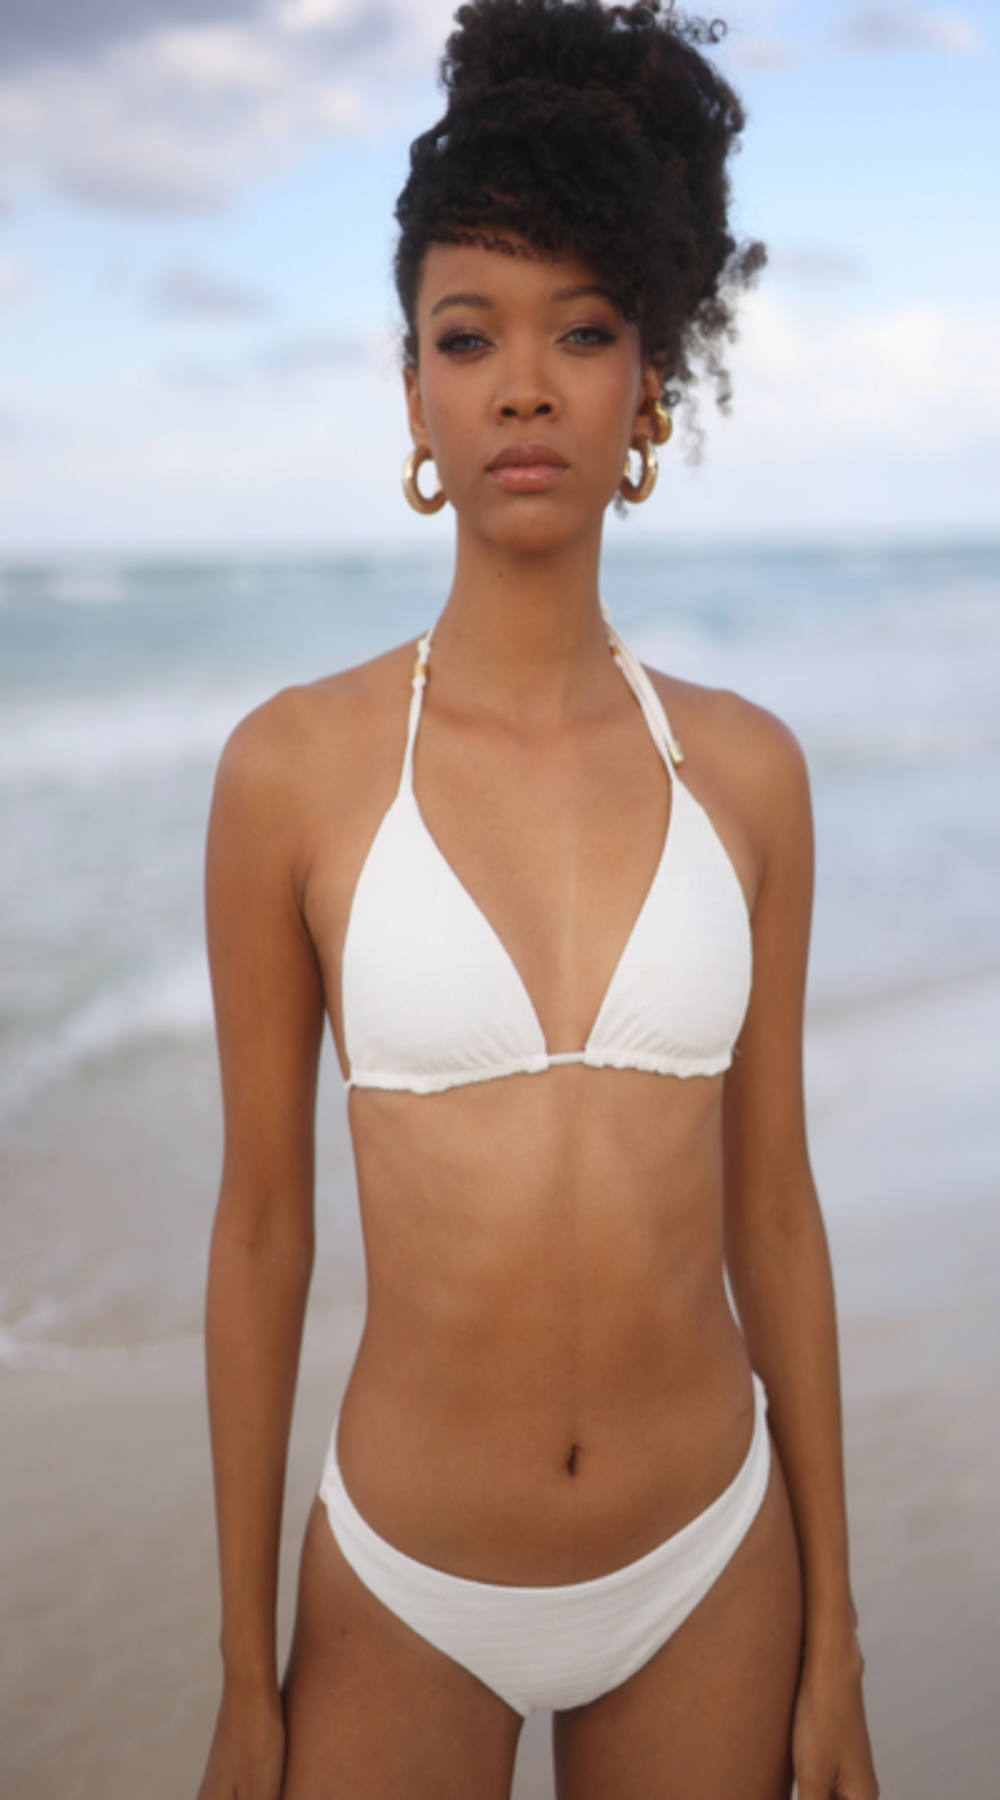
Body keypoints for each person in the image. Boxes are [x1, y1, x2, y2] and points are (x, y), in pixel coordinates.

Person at [197, 2, 880, 1795]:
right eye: (468, 334)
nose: (522, 385)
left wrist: (837, 1640)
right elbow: (261, 1235)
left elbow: (777, 1217)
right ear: (413, 391)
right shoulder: (291, 773)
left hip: (712, 1559)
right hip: (405, 1585)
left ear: (649, 382)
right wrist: (244, 1675)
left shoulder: (748, 775)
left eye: (580, 331)